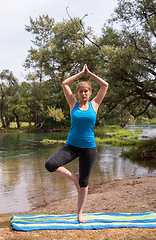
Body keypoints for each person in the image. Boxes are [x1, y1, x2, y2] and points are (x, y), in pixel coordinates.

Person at [45, 64, 109, 223]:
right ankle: (73, 177)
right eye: (81, 91)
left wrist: (90, 74)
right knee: (50, 164)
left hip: (89, 148)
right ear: (78, 93)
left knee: (84, 183)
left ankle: (80, 213)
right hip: (71, 146)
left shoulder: (95, 105)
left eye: (86, 91)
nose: (83, 93)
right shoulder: (72, 103)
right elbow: (65, 84)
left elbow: (105, 85)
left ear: (90, 92)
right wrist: (81, 74)